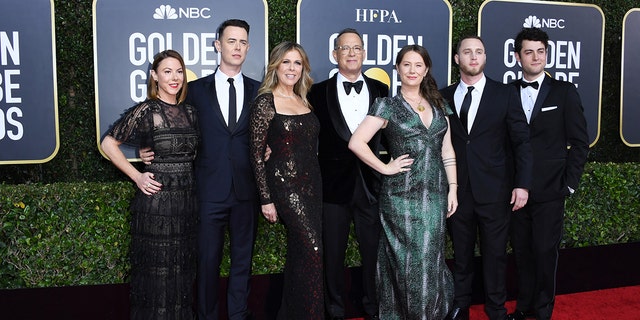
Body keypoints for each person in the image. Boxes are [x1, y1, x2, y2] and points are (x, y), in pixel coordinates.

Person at [140, 19, 261, 320]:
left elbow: (266, 135)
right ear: (218, 45)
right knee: (207, 263)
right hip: (207, 191)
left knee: (242, 263)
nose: (237, 47)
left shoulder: (259, 91)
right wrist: (146, 147)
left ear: (248, 48)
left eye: (242, 42)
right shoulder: (192, 91)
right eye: (231, 41)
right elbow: (168, 124)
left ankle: (238, 315)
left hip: (247, 191)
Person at [348, 44, 458, 319]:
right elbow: (356, 142)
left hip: (434, 196)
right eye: (406, 64)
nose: (412, 70)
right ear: (397, 69)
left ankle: (431, 314)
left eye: (418, 65)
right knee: (407, 263)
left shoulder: (439, 104)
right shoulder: (387, 106)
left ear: (426, 70)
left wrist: (453, 187)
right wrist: (385, 167)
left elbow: (447, 150)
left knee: (430, 260)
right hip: (401, 197)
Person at [440, 35, 532, 320]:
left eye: (479, 51)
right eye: (467, 52)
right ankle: (460, 305)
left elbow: (522, 142)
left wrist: (522, 184)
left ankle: (495, 308)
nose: (473, 56)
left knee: (495, 255)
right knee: (462, 254)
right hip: (457, 191)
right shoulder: (442, 96)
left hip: (495, 190)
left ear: (485, 57)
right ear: (457, 59)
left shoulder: (505, 94)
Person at [101, 49, 199, 319]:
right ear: (154, 76)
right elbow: (109, 143)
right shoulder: (147, 110)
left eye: (179, 71)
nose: (174, 77)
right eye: (167, 71)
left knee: (181, 271)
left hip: (187, 203)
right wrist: (136, 175)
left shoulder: (191, 112)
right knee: (157, 274)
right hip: (157, 204)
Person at [507, 28, 589, 320]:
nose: (535, 57)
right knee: (522, 253)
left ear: (547, 54)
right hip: (516, 190)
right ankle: (524, 306)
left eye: (540, 51)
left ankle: (543, 310)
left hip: (551, 190)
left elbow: (580, 142)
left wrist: (569, 185)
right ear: (518, 57)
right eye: (528, 52)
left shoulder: (564, 92)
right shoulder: (507, 92)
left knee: (544, 252)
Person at [307, 28, 388, 320]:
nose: (352, 53)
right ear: (335, 54)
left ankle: (373, 308)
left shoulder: (382, 91)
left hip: (372, 186)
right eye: (345, 48)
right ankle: (335, 311)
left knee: (373, 255)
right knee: (332, 255)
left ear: (364, 54)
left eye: (356, 48)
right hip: (332, 187)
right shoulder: (315, 92)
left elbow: (390, 139)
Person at [249, 41, 323, 319]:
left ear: (303, 68)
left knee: (303, 257)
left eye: (297, 63)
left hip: (313, 185)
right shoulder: (265, 102)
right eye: (286, 62)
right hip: (285, 187)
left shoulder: (304, 99)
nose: (291, 68)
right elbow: (256, 155)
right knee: (312, 249)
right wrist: (266, 198)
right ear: (275, 66)